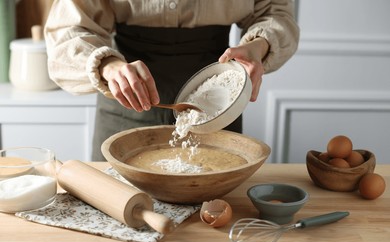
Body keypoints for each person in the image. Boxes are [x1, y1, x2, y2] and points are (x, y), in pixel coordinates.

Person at [44, 0, 299, 161]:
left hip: (217, 104)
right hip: (126, 99)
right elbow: (68, 31)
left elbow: (276, 12)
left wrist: (258, 46)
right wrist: (110, 67)